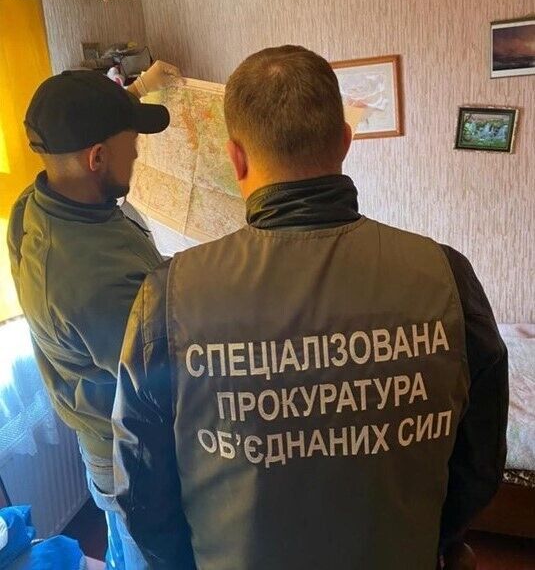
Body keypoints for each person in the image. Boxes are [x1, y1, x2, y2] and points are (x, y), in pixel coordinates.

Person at [112, 46, 508, 570]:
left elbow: (142, 489)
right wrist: (428, 537)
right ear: (345, 141)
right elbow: (480, 461)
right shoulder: (446, 275)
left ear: (236, 158)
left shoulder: (168, 296)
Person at [8, 62, 183, 570]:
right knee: (151, 555)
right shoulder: (87, 279)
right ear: (97, 157)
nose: (137, 155)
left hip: (103, 438)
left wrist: (138, 88)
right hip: (130, 454)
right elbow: (166, 382)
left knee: (121, 545)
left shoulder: (42, 199)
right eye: (133, 145)